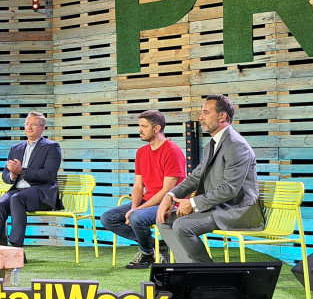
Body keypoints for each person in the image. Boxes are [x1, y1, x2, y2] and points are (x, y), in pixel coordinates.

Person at [156, 94, 263, 263]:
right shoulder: (211, 145)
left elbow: (230, 189)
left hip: (236, 210)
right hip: (218, 206)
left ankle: (205, 271)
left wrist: (192, 203)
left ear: (222, 116)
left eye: (206, 112)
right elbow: (196, 177)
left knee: (182, 226)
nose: (201, 117)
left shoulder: (236, 145)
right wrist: (169, 196)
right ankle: (188, 268)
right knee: (164, 219)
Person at [102, 110, 186, 268]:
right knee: (108, 218)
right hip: (148, 201)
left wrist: (136, 211)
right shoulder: (141, 152)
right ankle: (155, 245)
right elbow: (138, 185)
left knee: (136, 217)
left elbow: (167, 192)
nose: (139, 130)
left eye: (143, 126)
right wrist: (134, 206)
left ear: (156, 129)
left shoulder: (172, 151)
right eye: (139, 126)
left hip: (170, 203)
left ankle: (146, 254)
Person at [0, 111, 62, 250]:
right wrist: (13, 175)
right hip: (18, 190)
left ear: (42, 128)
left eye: (33, 124)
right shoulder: (15, 148)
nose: (29, 127)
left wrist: (22, 171)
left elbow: (49, 174)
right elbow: (5, 175)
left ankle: (16, 248)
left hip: (42, 193)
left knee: (17, 199)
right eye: (27, 124)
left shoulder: (52, 147)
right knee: (1, 205)